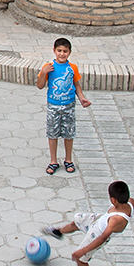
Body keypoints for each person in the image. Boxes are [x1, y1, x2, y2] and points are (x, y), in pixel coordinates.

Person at [36, 37, 92, 174]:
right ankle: (53, 161)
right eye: (59, 51)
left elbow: (76, 84)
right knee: (52, 133)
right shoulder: (48, 67)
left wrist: (82, 98)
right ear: (54, 51)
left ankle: (68, 159)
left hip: (69, 106)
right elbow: (40, 85)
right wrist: (43, 73)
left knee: (69, 134)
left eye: (65, 51)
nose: (62, 54)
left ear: (69, 52)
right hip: (53, 106)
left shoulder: (72, 68)